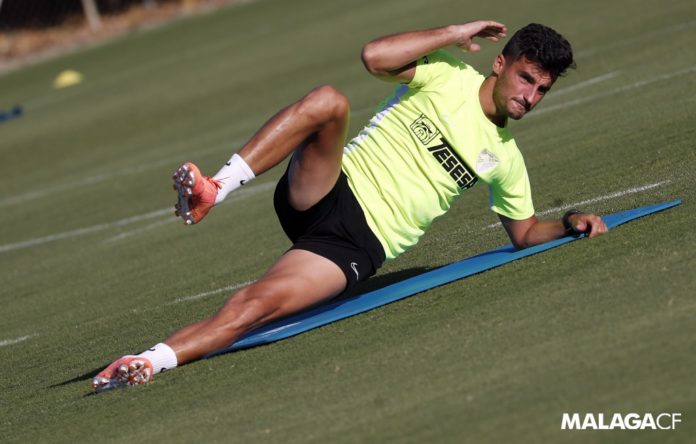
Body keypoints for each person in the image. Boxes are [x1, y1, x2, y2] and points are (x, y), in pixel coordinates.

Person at [92, 20, 608, 392]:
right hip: (328, 187)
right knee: (329, 100)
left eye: (542, 89)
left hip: (351, 245)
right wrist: (452, 32)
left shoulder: (508, 158)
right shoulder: (446, 73)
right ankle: (215, 189)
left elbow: (522, 233)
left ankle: (148, 362)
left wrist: (566, 223)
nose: (530, 97)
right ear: (501, 63)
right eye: (525, 78)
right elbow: (374, 57)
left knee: (254, 308)